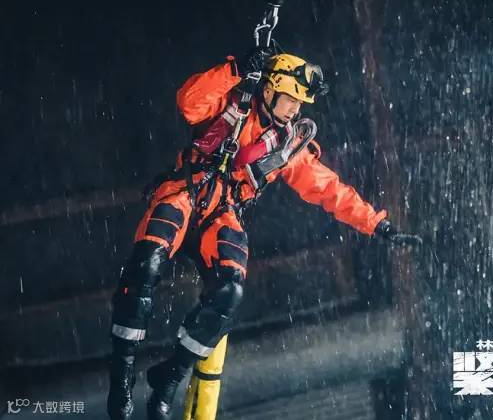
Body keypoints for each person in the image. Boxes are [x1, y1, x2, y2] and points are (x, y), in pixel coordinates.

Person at [106, 49, 420, 420]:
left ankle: (169, 378)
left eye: (300, 104)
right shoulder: (233, 102)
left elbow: (328, 189)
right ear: (269, 90)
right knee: (146, 263)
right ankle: (122, 374)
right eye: (290, 100)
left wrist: (377, 224)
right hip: (185, 193)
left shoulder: (287, 146)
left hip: (223, 214)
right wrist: (234, 69)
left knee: (230, 292)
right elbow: (189, 102)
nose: (295, 109)